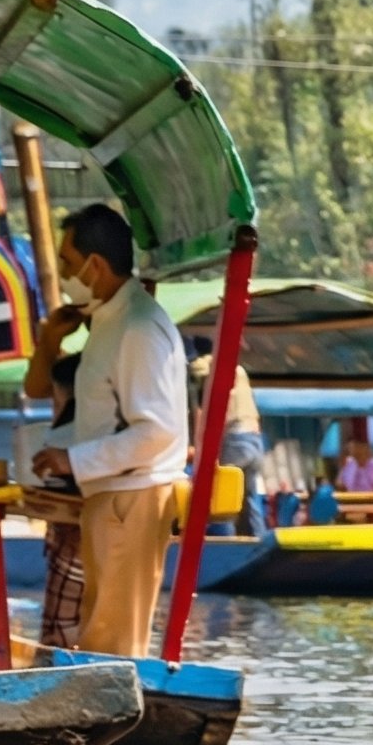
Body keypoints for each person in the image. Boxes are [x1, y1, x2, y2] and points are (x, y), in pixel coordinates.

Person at [25, 203, 188, 658]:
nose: (63, 272)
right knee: (100, 636)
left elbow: (157, 432)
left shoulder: (138, 327)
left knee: (114, 644)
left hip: (131, 497)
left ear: (96, 266)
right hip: (111, 497)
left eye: (69, 263)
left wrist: (72, 459)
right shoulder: (110, 320)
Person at [31, 354, 83, 649]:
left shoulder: (64, 436)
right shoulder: (103, 427)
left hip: (73, 541)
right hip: (96, 541)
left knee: (59, 630)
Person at [190, 336, 265, 535]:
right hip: (255, 437)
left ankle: (225, 541)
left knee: (221, 492)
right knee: (250, 496)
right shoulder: (240, 370)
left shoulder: (209, 366)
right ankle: (259, 539)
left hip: (235, 438)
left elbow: (200, 375)